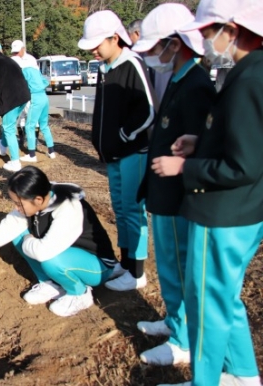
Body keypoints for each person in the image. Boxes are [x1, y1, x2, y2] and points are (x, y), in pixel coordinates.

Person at [152, 1, 263, 385]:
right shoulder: (249, 73)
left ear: (232, 30)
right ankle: (245, 376)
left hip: (222, 213)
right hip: (239, 211)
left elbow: (244, 165)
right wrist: (202, 143)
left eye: (207, 30)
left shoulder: (250, 80)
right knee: (224, 299)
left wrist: (186, 167)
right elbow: (244, 145)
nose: (201, 39)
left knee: (206, 308)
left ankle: (206, 381)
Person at [132, 3, 216, 367]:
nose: (151, 56)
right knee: (168, 264)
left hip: (179, 197)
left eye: (154, 47)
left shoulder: (197, 86)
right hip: (162, 195)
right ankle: (173, 320)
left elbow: (199, 148)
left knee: (181, 267)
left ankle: (183, 342)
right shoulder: (178, 79)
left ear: (174, 44)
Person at [0, 166, 118, 317]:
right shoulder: (36, 201)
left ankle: (79, 293)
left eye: (19, 203)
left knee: (46, 255)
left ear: (38, 200)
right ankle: (51, 283)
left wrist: (29, 240)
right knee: (16, 234)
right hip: (65, 254)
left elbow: (43, 252)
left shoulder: (68, 208)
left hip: (97, 267)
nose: (16, 208)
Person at [78, 10, 156, 291]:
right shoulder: (105, 68)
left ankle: (137, 272)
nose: (95, 51)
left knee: (133, 210)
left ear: (115, 37)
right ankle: (125, 263)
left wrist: (123, 135)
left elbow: (147, 109)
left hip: (133, 152)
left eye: (98, 44)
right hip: (112, 155)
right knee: (121, 209)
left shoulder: (131, 64)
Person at [0, 40, 30, 172]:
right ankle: (3, 146)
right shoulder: (8, 60)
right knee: (9, 123)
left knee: (9, 128)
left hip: (12, 98)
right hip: (23, 96)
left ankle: (15, 162)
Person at [18, 64, 56, 162]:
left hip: (35, 98)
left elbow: (20, 85)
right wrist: (39, 88)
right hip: (44, 97)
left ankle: (32, 155)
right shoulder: (35, 70)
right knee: (44, 126)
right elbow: (46, 82)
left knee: (29, 126)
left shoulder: (23, 71)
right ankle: (51, 152)